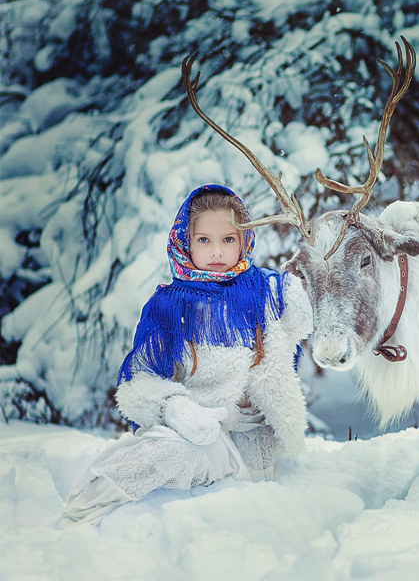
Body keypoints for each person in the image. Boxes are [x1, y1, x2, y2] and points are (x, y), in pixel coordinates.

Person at [58, 185, 311, 527]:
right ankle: (78, 518)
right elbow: (140, 378)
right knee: (160, 451)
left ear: (244, 241)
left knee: (167, 453)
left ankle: (80, 518)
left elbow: (323, 308)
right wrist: (173, 407)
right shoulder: (169, 304)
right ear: (185, 241)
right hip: (202, 432)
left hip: (256, 446)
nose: (217, 251)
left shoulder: (271, 291)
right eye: (204, 240)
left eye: (228, 239)